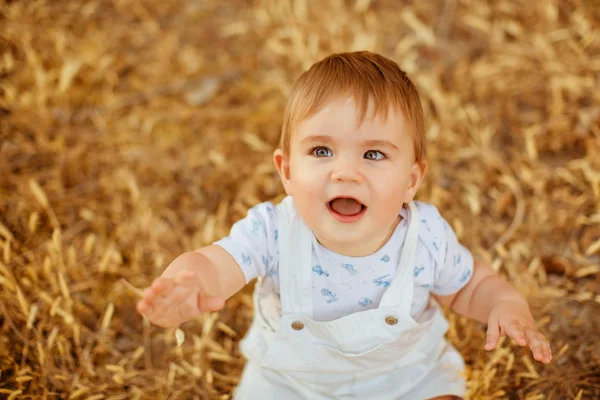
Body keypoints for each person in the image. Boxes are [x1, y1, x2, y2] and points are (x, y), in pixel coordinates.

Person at [136, 51, 552, 400]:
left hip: (408, 381)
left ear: (411, 179)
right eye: (321, 150)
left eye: (373, 155)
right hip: (290, 387)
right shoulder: (273, 231)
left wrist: (504, 302)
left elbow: (468, 285)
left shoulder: (425, 236)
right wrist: (189, 282)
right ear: (287, 171)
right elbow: (218, 263)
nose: (346, 172)